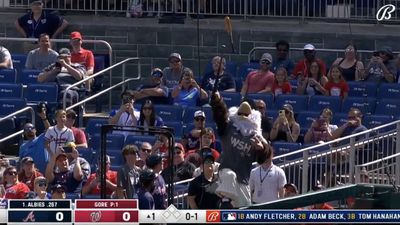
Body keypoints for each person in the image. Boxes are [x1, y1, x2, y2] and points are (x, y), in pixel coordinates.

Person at [210, 91, 271, 208]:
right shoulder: (229, 126)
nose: (244, 116)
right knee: (229, 175)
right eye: (241, 112)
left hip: (243, 179)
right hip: (226, 170)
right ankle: (226, 201)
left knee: (245, 211)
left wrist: (261, 149)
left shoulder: (256, 135)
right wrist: (217, 101)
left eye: (247, 114)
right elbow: (220, 116)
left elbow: (265, 157)